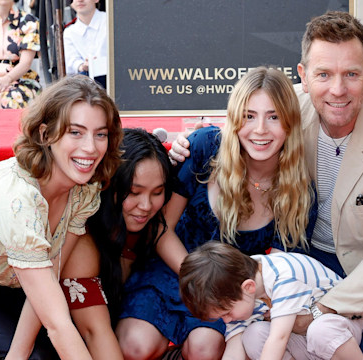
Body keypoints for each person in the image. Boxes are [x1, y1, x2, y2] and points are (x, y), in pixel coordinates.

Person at [170, 11, 363, 359]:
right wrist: (187, 143)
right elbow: (242, 125)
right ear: (304, 76)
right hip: (303, 259)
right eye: (323, 74)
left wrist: (318, 311)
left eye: (351, 74)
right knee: (261, 338)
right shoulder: (286, 109)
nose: (337, 90)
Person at [119, 66, 316, 360]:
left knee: (204, 349)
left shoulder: (299, 192)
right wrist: (199, 277)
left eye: (273, 117)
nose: (260, 129)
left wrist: (221, 293)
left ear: (290, 123)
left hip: (228, 294)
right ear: (235, 119)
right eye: (249, 116)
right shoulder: (205, 146)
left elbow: (274, 274)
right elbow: (162, 228)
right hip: (173, 268)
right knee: (136, 345)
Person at [0, 75, 124, 359]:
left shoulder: (83, 191)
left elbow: (48, 282)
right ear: (45, 135)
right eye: (75, 132)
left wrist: (18, 354)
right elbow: (57, 324)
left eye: (100, 134)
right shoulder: (16, 200)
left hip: (2, 284)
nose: (91, 148)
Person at [58, 127, 174, 360]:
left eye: (157, 192)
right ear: (108, 185)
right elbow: (93, 332)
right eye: (134, 192)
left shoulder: (160, 228)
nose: (146, 205)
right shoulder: (82, 241)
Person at [180, 241, 363, 360]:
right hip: (303, 339)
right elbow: (234, 346)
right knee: (253, 334)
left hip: (339, 330)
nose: (227, 320)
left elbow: (279, 338)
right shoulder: (238, 284)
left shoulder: (284, 277)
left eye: (227, 313)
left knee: (321, 331)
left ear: (248, 287)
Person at [64, 0, 107, 88]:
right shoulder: (69, 32)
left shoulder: (110, 21)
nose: (80, 0)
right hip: (85, 82)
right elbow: (72, 62)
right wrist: (83, 66)